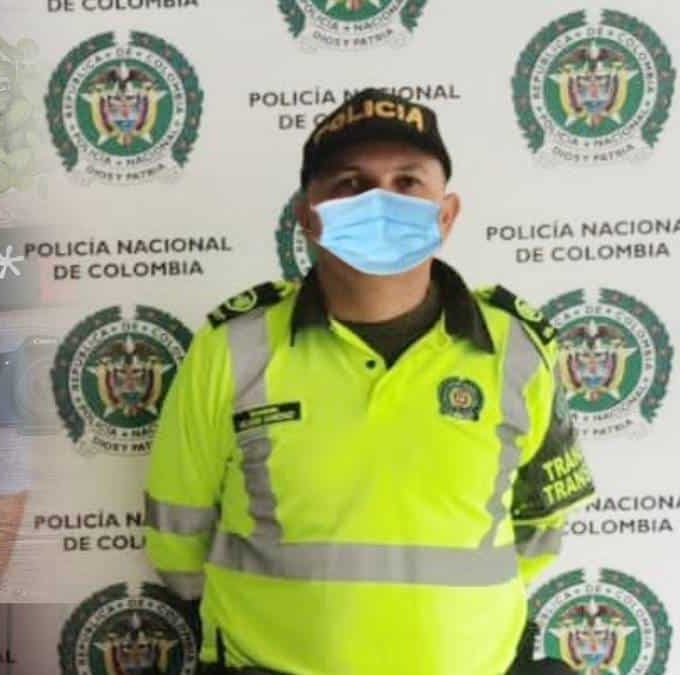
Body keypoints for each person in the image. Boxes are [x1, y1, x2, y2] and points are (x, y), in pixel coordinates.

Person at [144, 90, 594, 675]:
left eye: (407, 182)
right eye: (350, 184)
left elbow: (539, 532)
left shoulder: (517, 349)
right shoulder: (231, 347)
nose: (380, 200)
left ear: (447, 212)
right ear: (307, 216)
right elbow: (177, 542)